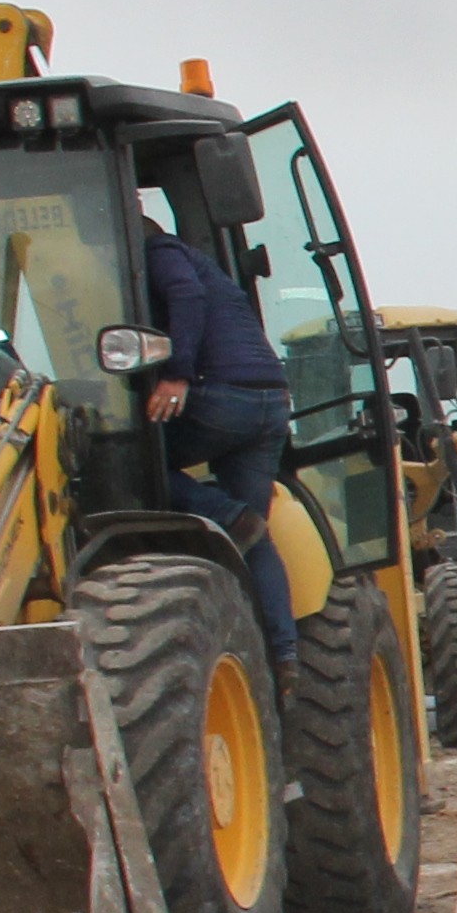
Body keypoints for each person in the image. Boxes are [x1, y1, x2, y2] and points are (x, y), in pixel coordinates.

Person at [140, 212, 302, 673]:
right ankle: (283, 652)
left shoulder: (159, 251)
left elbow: (184, 295)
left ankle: (222, 513)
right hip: (270, 400)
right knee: (252, 535)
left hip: (223, 396)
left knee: (126, 463)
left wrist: (176, 374)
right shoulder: (210, 270)